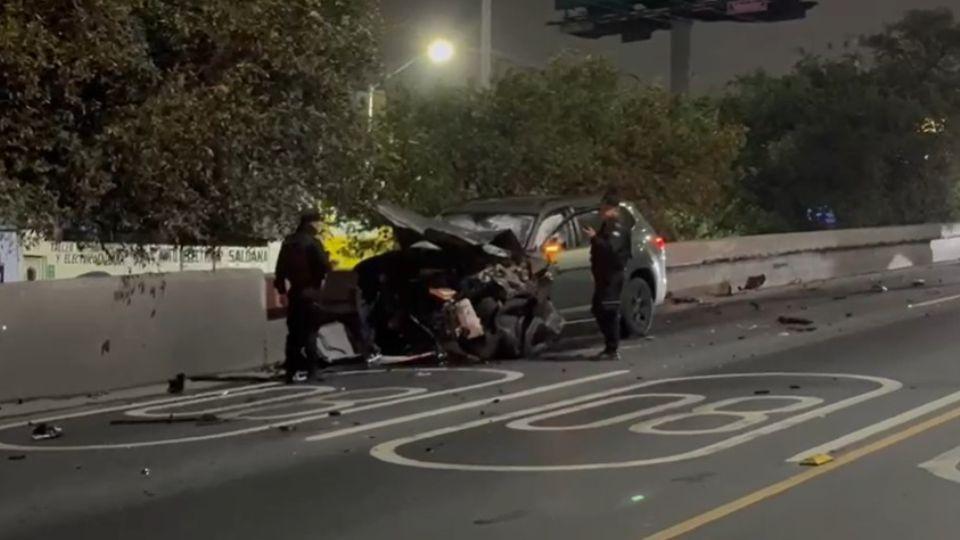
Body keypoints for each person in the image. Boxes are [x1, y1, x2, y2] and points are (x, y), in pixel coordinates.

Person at [275, 210, 331, 383]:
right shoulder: (312, 243)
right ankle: (313, 370)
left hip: (294, 293)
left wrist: (282, 291)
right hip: (310, 292)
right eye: (319, 223)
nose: (320, 226)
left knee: (293, 333)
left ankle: (291, 371)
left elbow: (280, 270)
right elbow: (324, 265)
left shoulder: (289, 242)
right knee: (310, 332)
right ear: (311, 223)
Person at [583, 190, 632, 360]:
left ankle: (612, 349)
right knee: (599, 308)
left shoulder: (617, 228)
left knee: (609, 310)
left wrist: (595, 238)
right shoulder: (607, 226)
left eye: (605, 209)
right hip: (603, 275)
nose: (601, 212)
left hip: (612, 276)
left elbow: (611, 249)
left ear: (614, 210)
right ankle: (609, 346)